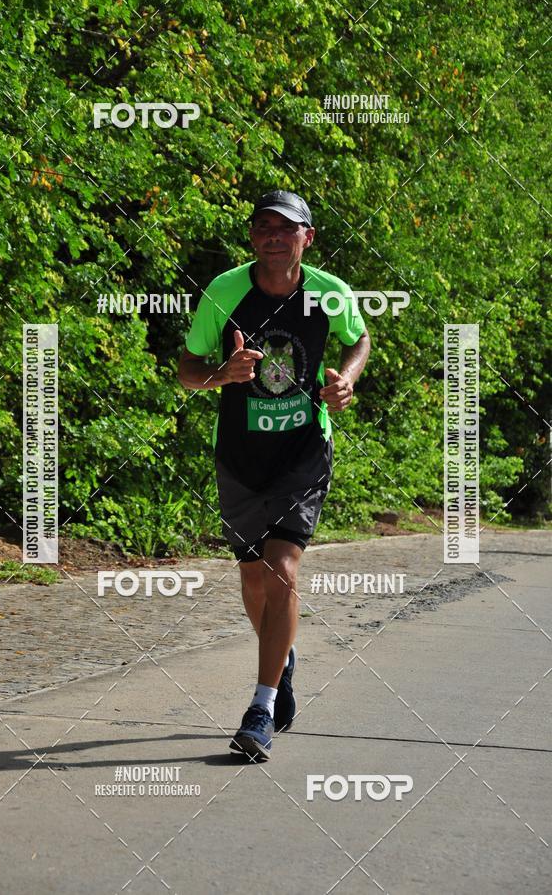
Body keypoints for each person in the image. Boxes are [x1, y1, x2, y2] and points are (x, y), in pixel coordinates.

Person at [177, 190, 371, 760]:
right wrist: (222, 374)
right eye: (264, 227)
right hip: (239, 457)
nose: (273, 237)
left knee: (282, 566)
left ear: (307, 238)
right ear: (253, 237)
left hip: (302, 453)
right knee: (254, 579)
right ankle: (281, 657)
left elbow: (358, 338)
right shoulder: (224, 292)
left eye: (286, 229)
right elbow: (187, 370)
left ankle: (260, 707)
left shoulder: (329, 293)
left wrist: (347, 380)